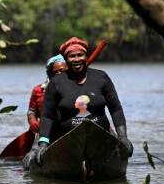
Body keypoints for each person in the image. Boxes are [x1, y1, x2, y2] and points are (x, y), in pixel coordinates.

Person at [30, 37, 133, 166]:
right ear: (66, 60)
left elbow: (116, 109)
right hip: (65, 140)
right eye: (72, 56)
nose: (77, 59)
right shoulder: (56, 83)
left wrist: (122, 136)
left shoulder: (101, 77)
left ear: (86, 56)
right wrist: (42, 144)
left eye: (80, 55)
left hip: (100, 138)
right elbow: (47, 116)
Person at [27, 55, 68, 134]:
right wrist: (32, 120)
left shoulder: (76, 87)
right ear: (50, 74)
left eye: (62, 70)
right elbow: (31, 111)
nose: (59, 74)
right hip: (46, 130)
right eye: (55, 72)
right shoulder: (38, 90)